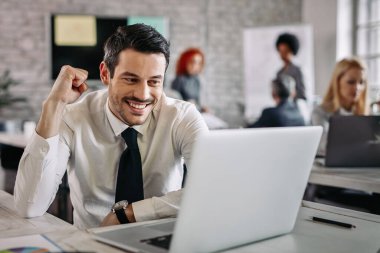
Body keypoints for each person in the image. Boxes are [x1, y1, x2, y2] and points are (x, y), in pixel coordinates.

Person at [13, 24, 208, 229]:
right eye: (131, 79)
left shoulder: (182, 117)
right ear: (106, 74)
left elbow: (212, 188)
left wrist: (129, 214)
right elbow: (30, 207)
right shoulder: (73, 118)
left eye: (153, 82)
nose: (143, 94)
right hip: (92, 245)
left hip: (161, 243)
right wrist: (53, 105)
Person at [311, 57, 368, 156]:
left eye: (361, 82)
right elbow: (325, 146)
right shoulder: (320, 112)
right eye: (351, 82)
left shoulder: (365, 112)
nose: (357, 88)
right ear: (337, 82)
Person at [171, 48, 207, 112]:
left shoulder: (197, 80)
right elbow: (173, 102)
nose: (195, 66)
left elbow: (198, 101)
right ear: (185, 62)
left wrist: (202, 108)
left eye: (198, 63)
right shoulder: (179, 80)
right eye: (192, 62)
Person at [275, 33, 307, 101]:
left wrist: (292, 96)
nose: (283, 55)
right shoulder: (279, 73)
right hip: (282, 107)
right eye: (281, 52)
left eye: (285, 51)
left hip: (296, 107)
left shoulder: (298, 70)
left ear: (292, 51)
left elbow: (303, 94)